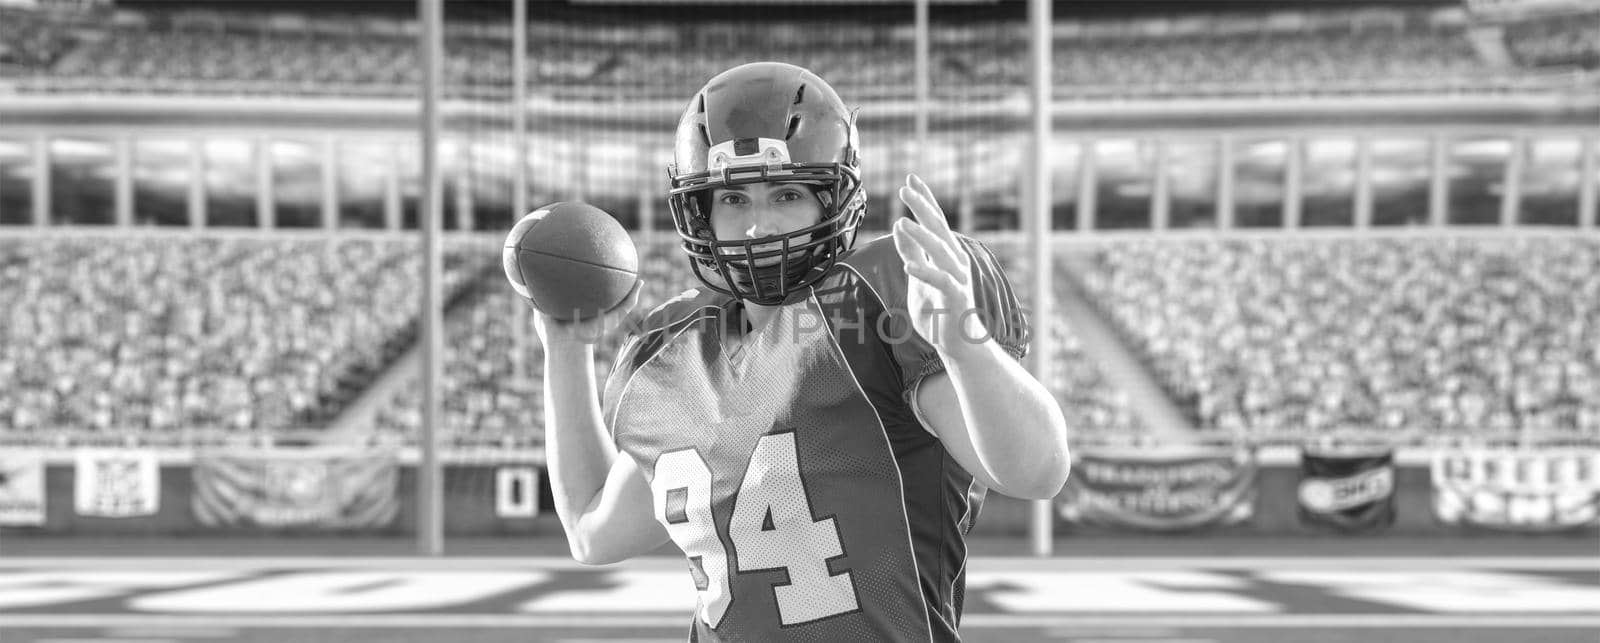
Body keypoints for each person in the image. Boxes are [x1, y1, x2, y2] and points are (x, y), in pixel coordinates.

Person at [531, 62, 1070, 642]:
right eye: (733, 198)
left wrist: (968, 351)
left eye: (786, 194)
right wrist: (564, 350)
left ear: (834, 200)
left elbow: (1036, 471)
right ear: (700, 213)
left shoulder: (878, 303)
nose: (758, 227)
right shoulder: (671, 353)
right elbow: (591, 532)